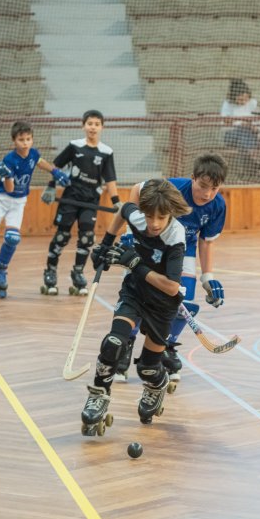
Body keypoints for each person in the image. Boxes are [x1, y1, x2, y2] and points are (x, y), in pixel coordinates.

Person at [81, 179, 192, 432]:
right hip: (134, 293)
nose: (153, 223)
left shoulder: (175, 236)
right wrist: (106, 243)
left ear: (170, 215)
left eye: (161, 218)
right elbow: (122, 210)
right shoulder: (139, 216)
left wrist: (136, 266)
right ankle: (99, 394)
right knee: (114, 342)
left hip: (163, 303)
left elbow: (172, 286)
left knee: (148, 369)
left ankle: (156, 385)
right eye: (149, 216)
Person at [113, 153, 228, 383]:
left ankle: (165, 345)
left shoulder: (217, 205)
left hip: (182, 251)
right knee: (135, 297)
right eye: (203, 186)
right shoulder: (173, 188)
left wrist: (207, 277)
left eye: (214, 188)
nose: (207, 194)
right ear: (193, 178)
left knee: (183, 302)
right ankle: (126, 344)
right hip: (148, 246)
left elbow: (206, 242)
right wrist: (132, 230)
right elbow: (137, 189)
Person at [0, 120, 70, 300]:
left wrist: (55, 172)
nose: (26, 143)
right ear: (14, 141)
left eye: (29, 139)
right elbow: (10, 189)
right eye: (21, 140)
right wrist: (6, 175)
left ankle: (0, 272)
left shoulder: (33, 153)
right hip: (1, 199)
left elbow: (39, 161)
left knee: (13, 238)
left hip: (19, 201)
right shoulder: (9, 160)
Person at [40, 109, 120, 296]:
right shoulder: (74, 146)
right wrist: (51, 186)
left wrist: (117, 202)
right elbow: (56, 166)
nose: (93, 127)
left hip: (90, 201)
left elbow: (110, 180)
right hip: (70, 198)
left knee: (86, 238)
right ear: (83, 125)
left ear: (102, 127)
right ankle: (50, 272)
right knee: (61, 236)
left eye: (96, 124)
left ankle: (78, 273)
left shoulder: (107, 152)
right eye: (90, 123)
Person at [220, 78, 260, 152]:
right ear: (233, 97)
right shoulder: (228, 105)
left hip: (253, 132)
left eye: (246, 99)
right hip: (232, 133)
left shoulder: (252, 102)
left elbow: (258, 117)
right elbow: (225, 123)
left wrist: (256, 128)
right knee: (244, 132)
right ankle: (251, 151)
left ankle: (251, 151)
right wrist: (244, 124)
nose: (244, 102)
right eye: (240, 100)